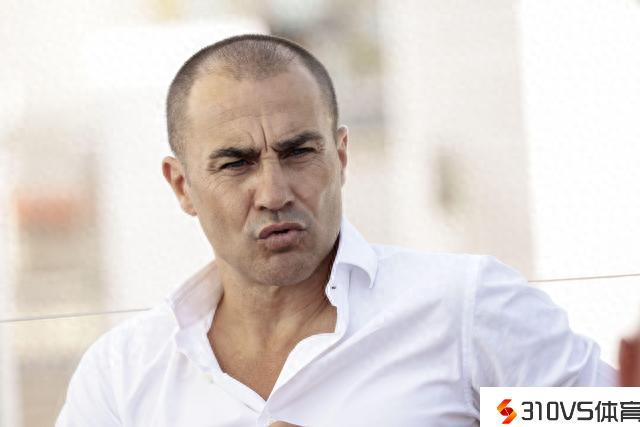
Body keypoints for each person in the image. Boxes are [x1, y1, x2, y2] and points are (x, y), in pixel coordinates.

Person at [56, 34, 618, 427]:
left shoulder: (464, 309)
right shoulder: (124, 375)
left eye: (299, 152)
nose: (274, 192)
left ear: (341, 156)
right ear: (181, 186)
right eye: (236, 163)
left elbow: (617, 416)